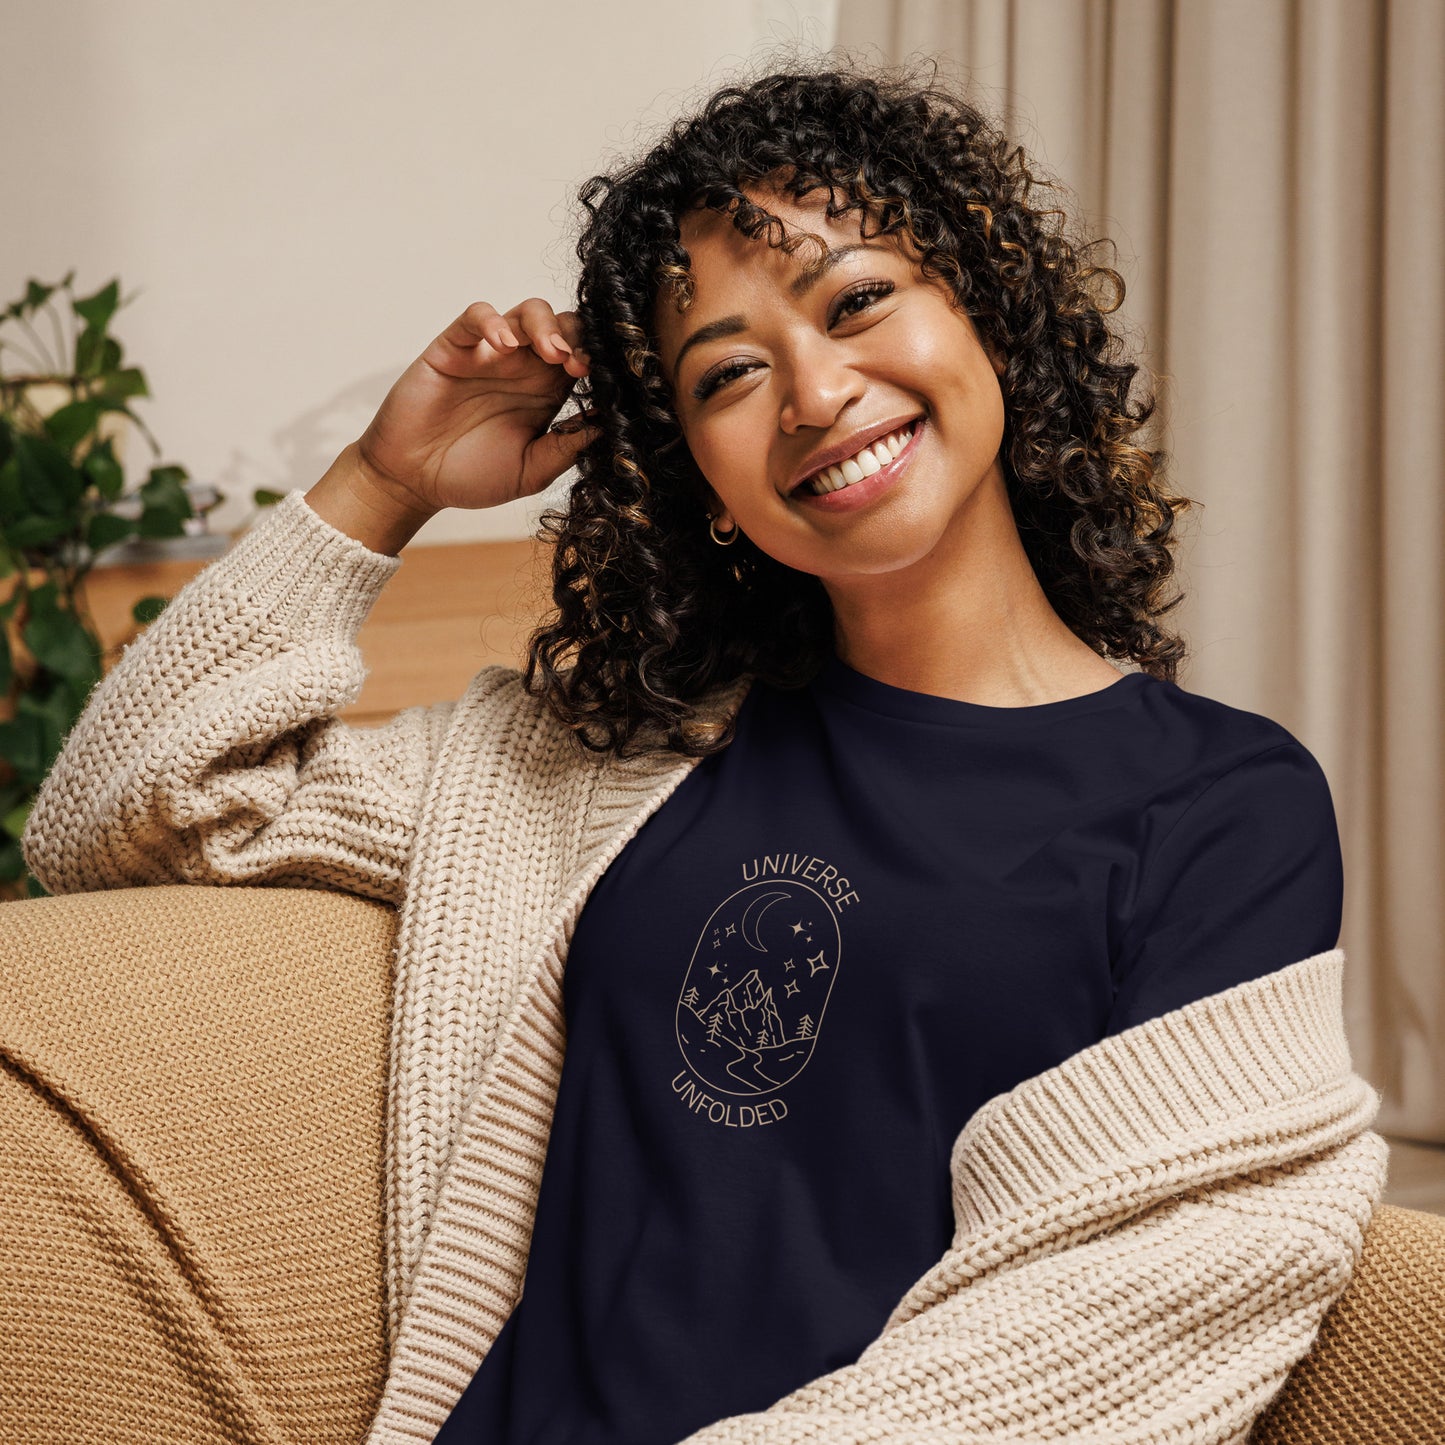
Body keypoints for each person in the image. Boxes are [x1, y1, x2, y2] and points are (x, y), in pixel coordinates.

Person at [16, 60, 1386, 1445]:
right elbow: (127, 814)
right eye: (728, 371)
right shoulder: (603, 765)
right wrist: (382, 483)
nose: (811, 390)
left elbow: (1128, 1307)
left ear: (986, 314)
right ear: (702, 482)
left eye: (857, 300)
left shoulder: (1217, 804)